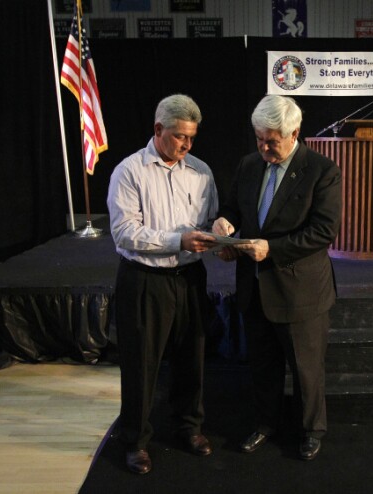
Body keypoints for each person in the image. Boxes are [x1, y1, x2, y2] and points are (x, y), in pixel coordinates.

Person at [213, 95, 342, 461]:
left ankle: (310, 430)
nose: (264, 147)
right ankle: (265, 424)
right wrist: (223, 222)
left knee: (306, 370)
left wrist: (273, 248)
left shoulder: (322, 170)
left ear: (295, 133)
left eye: (272, 140)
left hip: (300, 290)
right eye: (259, 138)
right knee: (263, 365)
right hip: (254, 287)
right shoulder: (249, 164)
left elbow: (323, 231)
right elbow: (232, 208)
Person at [107, 94, 219, 475]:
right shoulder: (129, 171)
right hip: (144, 281)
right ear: (158, 130)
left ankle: (189, 428)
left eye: (191, 138)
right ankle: (135, 441)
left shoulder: (201, 171)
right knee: (141, 364)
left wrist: (219, 230)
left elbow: (211, 218)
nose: (186, 145)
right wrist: (178, 240)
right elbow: (124, 233)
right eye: (179, 137)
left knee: (192, 358)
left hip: (189, 279)